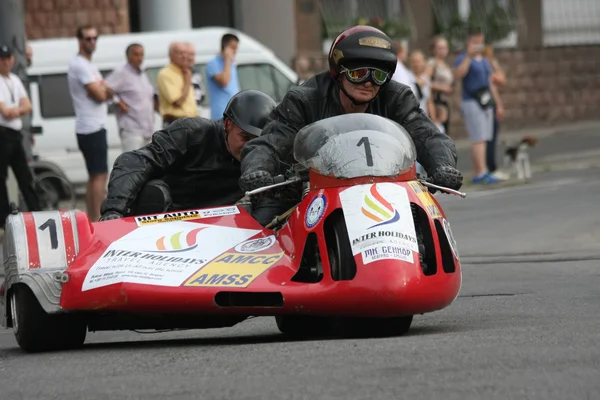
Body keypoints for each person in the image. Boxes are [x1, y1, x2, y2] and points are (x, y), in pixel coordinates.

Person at [239, 26, 463, 226]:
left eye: (378, 75)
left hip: (385, 189)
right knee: (259, 233)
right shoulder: (304, 99)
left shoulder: (397, 98)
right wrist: (257, 169)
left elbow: (429, 136)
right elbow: (271, 141)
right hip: (305, 193)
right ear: (339, 73)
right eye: (358, 73)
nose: (368, 82)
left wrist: (443, 166)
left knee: (429, 222)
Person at [99, 90, 277, 221]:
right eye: (244, 137)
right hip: (157, 222)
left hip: (210, 230)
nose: (249, 147)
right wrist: (114, 211)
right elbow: (134, 161)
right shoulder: (192, 132)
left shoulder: (266, 156)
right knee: (155, 193)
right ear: (228, 124)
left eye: (257, 141)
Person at [67, 25, 114, 222]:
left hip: (95, 125)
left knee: (95, 175)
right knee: (99, 175)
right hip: (90, 126)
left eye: (95, 38)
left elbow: (107, 92)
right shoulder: (79, 65)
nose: (92, 42)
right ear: (79, 41)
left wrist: (105, 91)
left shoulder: (90, 65)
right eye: (88, 39)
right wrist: (104, 91)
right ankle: (95, 219)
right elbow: (101, 94)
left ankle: (92, 217)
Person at [453, 27, 504, 185]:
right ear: (469, 42)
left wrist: (498, 104)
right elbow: (458, 75)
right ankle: (479, 172)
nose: (479, 45)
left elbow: (492, 82)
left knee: (485, 137)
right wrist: (469, 55)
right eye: (475, 42)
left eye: (480, 42)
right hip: (472, 100)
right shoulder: (463, 58)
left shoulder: (485, 60)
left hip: (486, 101)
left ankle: (484, 170)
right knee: (478, 137)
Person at [0, 44, 41, 229]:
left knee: (24, 175)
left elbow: (28, 106)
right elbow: (5, 111)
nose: (6, 61)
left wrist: (16, 110)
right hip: (2, 132)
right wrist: (18, 110)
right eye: (2, 58)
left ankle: (37, 212)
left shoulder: (14, 79)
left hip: (14, 133)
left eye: (8, 57)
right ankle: (3, 219)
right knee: (2, 177)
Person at [104, 43, 155, 152]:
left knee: (148, 166)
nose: (140, 58)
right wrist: (118, 102)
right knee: (134, 165)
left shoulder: (142, 74)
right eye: (136, 55)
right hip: (132, 129)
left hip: (147, 129)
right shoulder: (121, 72)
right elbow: (104, 87)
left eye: (142, 55)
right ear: (128, 56)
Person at [156, 42, 199, 127]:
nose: (184, 56)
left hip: (191, 121)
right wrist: (187, 82)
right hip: (176, 122)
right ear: (171, 54)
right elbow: (177, 102)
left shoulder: (184, 72)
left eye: (185, 53)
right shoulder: (166, 74)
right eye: (180, 53)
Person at [206, 33, 240, 120]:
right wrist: (227, 59)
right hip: (221, 113)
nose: (235, 51)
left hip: (234, 112)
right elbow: (224, 82)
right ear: (225, 46)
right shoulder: (213, 64)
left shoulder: (231, 64)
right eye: (233, 47)